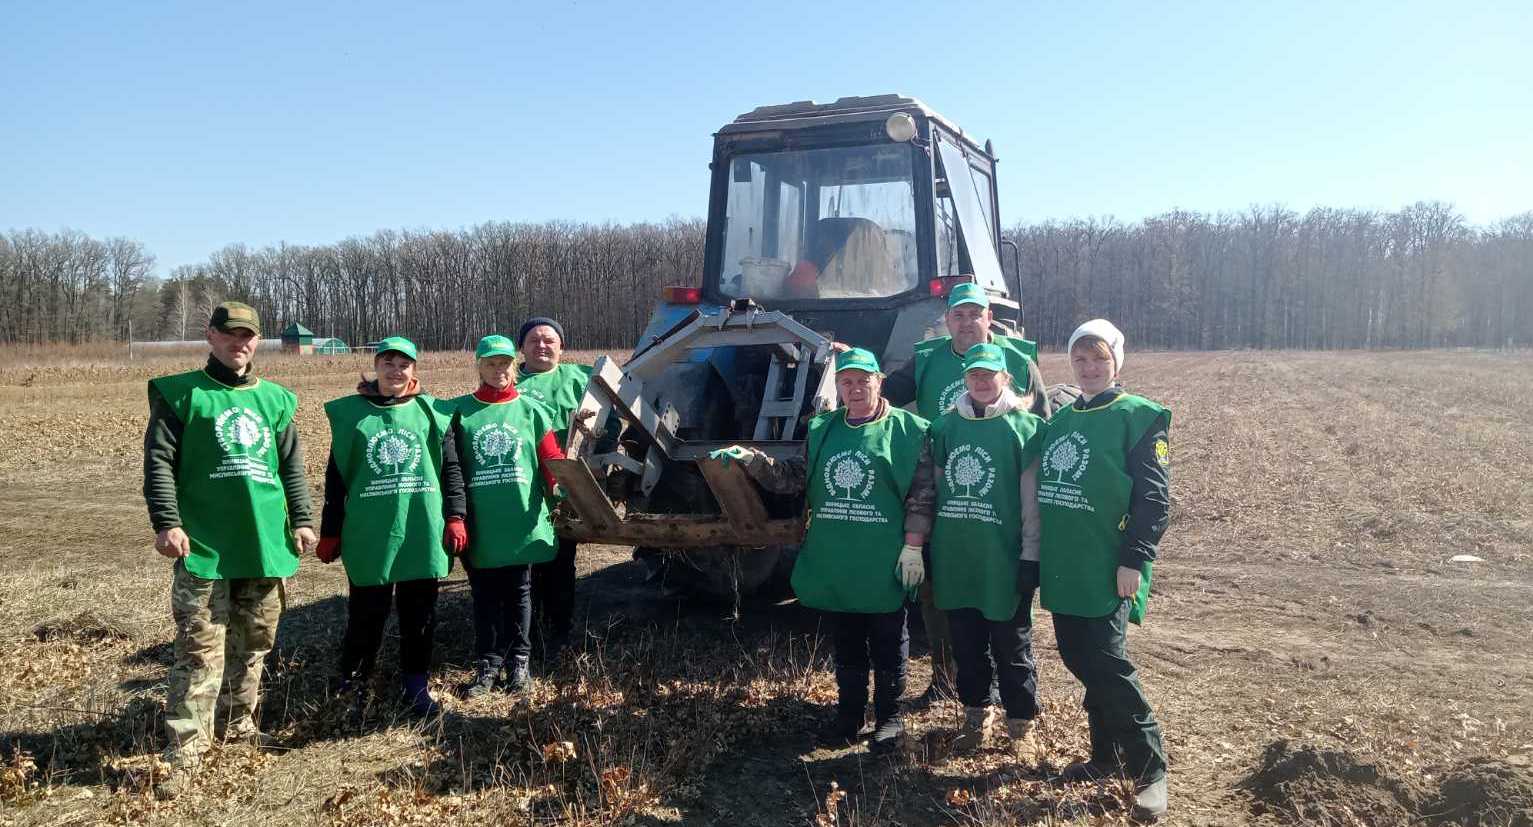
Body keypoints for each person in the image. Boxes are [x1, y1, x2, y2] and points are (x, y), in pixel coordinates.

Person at [712, 348, 928, 754]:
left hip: (883, 557)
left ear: (879, 381)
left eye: (863, 380)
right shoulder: (823, 429)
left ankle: (889, 718)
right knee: (845, 638)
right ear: (838, 387)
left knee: (887, 638)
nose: (855, 388)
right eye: (847, 381)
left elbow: (921, 497)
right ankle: (848, 715)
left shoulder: (910, 430)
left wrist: (914, 546)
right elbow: (793, 479)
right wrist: (751, 460)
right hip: (836, 554)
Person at [142, 301, 317, 799]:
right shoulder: (182, 396)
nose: (239, 344)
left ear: (257, 342)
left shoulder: (277, 401)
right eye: (230, 334)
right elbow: (159, 464)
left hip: (263, 544)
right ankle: (188, 752)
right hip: (205, 547)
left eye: (248, 336)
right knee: (200, 652)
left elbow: (291, 469)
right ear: (211, 336)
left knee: (254, 644)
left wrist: (302, 521)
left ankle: (240, 731)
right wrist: (166, 523)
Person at [881, 281, 1046, 703]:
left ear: (990, 317)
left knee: (1005, 605)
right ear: (948, 320)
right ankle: (947, 680)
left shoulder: (1019, 360)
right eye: (959, 315)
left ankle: (1014, 698)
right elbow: (883, 396)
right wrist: (853, 377)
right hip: (947, 497)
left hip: (1002, 503)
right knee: (942, 596)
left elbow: (1042, 427)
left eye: (976, 314)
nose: (967, 322)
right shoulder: (926, 361)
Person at [1038, 319, 1171, 821]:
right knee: (1080, 656)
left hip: (1108, 564)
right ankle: (1104, 756)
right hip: (1066, 561)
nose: (1090, 368)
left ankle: (1150, 768)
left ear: (1116, 362)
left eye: (1099, 359)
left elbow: (1154, 501)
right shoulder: (1062, 418)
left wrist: (1134, 559)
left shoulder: (1138, 417)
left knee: (1108, 665)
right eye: (1080, 359)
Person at [904, 342, 1046, 754]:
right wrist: (924, 546)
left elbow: (1031, 503)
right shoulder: (945, 428)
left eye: (990, 374)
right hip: (956, 558)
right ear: (964, 378)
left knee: (1012, 645)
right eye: (974, 374)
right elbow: (935, 491)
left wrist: (1031, 555)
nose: (982, 381)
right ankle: (975, 718)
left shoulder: (1025, 428)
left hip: (1003, 558)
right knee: (966, 646)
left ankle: (1021, 726)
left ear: (1006, 377)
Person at [317, 336, 466, 717]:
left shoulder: (433, 412)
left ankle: (416, 685)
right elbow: (337, 479)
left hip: (421, 528)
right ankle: (353, 683)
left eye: (404, 364)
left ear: (414, 370)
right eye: (388, 363)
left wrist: (455, 515)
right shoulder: (353, 415)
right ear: (376, 367)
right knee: (367, 611)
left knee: (420, 613)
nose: (395, 371)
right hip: (371, 531)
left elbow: (451, 468)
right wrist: (331, 529)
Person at [450, 334, 566, 697]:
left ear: (514, 366)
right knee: (484, 594)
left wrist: (564, 490)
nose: (498, 370)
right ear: (479, 366)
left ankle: (520, 662)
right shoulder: (459, 412)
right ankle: (488, 663)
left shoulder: (532, 410)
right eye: (490, 363)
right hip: (482, 521)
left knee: (520, 592)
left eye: (504, 363)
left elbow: (551, 459)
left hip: (521, 518)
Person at [514, 316, 595, 659]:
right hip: (519, 488)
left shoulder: (581, 377)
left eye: (549, 340)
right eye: (534, 340)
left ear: (562, 347)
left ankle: (559, 629)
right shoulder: (509, 379)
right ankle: (525, 634)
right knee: (525, 563)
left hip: (564, 487)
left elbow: (609, 413)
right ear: (522, 348)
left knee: (561, 559)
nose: (542, 346)